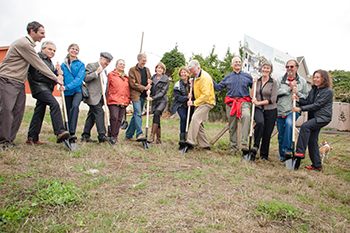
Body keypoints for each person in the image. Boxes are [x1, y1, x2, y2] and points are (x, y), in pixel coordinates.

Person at [0, 21, 64, 151]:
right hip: (8, 79)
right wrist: (56, 78)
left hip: (19, 82)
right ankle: (3, 141)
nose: (44, 36)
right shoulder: (24, 44)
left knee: (18, 111)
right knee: (7, 111)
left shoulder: (31, 47)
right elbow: (38, 65)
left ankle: (10, 140)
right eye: (41, 33)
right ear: (32, 31)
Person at [26, 41, 70, 145]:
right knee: (54, 104)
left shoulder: (48, 62)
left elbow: (49, 75)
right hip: (39, 88)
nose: (52, 52)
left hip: (46, 88)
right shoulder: (38, 58)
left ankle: (32, 137)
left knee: (39, 111)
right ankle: (60, 131)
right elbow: (37, 75)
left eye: (54, 50)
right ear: (42, 49)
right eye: (50, 49)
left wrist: (57, 73)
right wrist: (56, 79)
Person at [292, 70, 334, 171]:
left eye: (318, 77)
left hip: (322, 118)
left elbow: (317, 105)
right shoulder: (314, 89)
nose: (315, 79)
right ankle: (317, 164)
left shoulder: (328, 91)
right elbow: (308, 102)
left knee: (305, 126)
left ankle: (300, 151)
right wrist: (299, 100)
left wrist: (300, 109)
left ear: (324, 78)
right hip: (314, 117)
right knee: (312, 140)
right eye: (314, 77)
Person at [213, 57, 252, 155]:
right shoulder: (228, 77)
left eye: (239, 62)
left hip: (244, 102)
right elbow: (218, 87)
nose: (238, 63)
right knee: (232, 126)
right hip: (231, 103)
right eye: (236, 62)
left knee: (246, 116)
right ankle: (233, 148)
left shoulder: (248, 76)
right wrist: (210, 79)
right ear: (232, 64)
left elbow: (255, 88)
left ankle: (244, 144)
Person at [276, 59, 308, 162]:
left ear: (296, 68)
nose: (289, 68)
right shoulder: (280, 80)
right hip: (281, 109)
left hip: (293, 110)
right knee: (281, 133)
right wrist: (288, 89)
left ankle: (288, 151)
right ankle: (282, 156)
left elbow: (306, 97)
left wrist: (298, 93)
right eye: (287, 66)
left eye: (292, 66)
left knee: (289, 124)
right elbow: (275, 92)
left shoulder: (302, 81)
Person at [81, 52, 115, 144]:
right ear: (101, 58)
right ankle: (102, 135)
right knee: (100, 113)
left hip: (101, 97)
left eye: (109, 62)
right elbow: (85, 78)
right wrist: (96, 72)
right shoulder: (92, 66)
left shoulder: (105, 70)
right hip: (93, 96)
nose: (107, 63)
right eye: (106, 61)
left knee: (91, 116)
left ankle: (85, 136)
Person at [249, 62, 277, 162]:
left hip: (271, 110)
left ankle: (264, 155)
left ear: (270, 70)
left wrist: (258, 102)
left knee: (267, 133)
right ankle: (255, 146)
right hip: (258, 109)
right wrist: (254, 84)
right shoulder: (257, 81)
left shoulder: (273, 82)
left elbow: (272, 99)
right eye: (264, 68)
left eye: (268, 68)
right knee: (260, 123)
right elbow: (251, 95)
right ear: (261, 69)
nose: (265, 70)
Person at [185, 60, 215, 151]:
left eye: (193, 71)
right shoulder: (196, 76)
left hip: (207, 102)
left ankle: (190, 142)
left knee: (195, 119)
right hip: (200, 102)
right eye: (190, 71)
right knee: (198, 123)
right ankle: (205, 145)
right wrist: (192, 83)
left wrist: (194, 103)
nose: (191, 73)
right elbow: (198, 89)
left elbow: (205, 95)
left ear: (198, 68)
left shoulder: (205, 78)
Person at [60, 44, 85, 141]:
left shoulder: (81, 64)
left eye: (76, 50)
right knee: (67, 111)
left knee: (75, 107)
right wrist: (57, 71)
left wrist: (67, 87)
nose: (74, 51)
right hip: (66, 92)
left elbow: (79, 80)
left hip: (77, 91)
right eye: (72, 49)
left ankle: (72, 132)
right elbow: (59, 76)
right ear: (68, 50)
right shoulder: (63, 64)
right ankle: (66, 132)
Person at [125, 53, 152, 141]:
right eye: (143, 60)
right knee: (137, 113)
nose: (144, 62)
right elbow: (132, 84)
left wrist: (149, 83)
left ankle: (128, 135)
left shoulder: (147, 70)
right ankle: (139, 134)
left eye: (145, 61)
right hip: (136, 96)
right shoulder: (132, 70)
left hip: (144, 96)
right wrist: (144, 87)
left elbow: (150, 80)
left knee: (136, 115)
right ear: (138, 60)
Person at [106, 59, 130, 142]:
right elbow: (107, 87)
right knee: (114, 117)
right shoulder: (111, 75)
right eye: (120, 64)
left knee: (119, 119)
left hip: (123, 100)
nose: (122, 65)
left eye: (123, 64)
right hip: (113, 100)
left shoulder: (126, 78)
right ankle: (110, 135)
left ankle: (115, 136)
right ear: (116, 65)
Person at [170, 66, 195, 144]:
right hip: (180, 105)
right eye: (182, 72)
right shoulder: (177, 84)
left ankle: (187, 138)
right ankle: (182, 139)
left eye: (185, 72)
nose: (183, 74)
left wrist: (192, 92)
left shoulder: (192, 83)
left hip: (190, 105)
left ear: (188, 73)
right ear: (180, 74)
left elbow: (196, 94)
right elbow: (177, 97)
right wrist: (187, 97)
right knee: (183, 118)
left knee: (189, 120)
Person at [146, 62, 169, 144]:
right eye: (158, 68)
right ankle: (158, 139)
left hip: (162, 100)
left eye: (161, 68)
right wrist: (148, 88)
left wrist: (153, 97)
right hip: (155, 101)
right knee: (157, 117)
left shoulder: (165, 79)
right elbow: (151, 90)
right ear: (156, 69)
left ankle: (152, 135)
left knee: (156, 113)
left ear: (163, 70)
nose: (159, 69)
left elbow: (162, 92)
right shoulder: (153, 77)